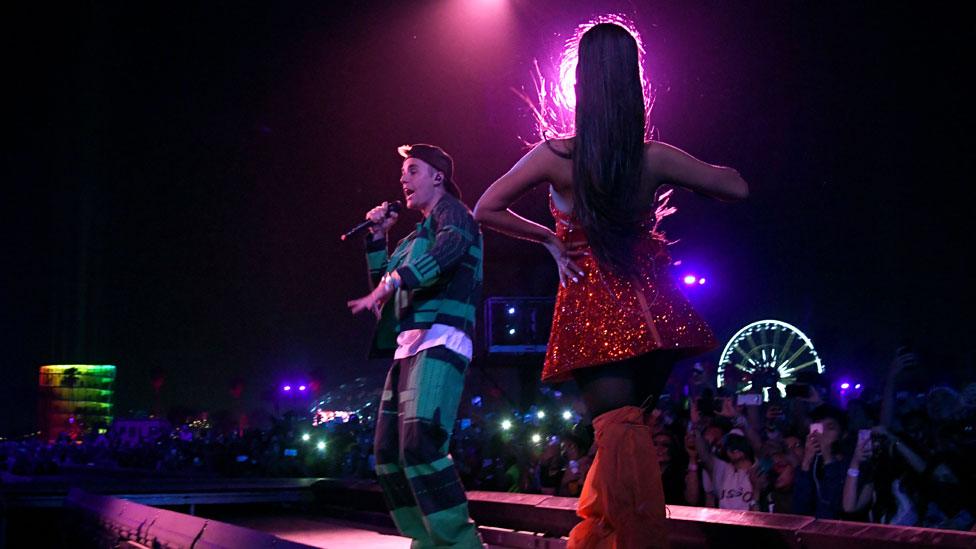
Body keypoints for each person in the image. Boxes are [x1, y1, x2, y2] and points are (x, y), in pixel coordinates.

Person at [474, 22, 748, 548]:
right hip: (654, 318)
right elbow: (736, 186)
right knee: (627, 443)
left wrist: (551, 240)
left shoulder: (557, 157)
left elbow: (487, 207)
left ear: (581, 86)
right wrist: (702, 176)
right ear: (633, 85)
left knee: (619, 444)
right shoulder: (653, 157)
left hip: (594, 314)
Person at [348, 144, 484, 548]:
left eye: (412, 170)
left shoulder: (454, 213)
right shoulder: (410, 239)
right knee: (389, 454)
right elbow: (385, 290)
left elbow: (448, 252)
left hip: (442, 336)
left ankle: (460, 544)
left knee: (420, 442)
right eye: (403, 173)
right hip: (407, 348)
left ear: (438, 176)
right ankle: (425, 541)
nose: (403, 179)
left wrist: (391, 283)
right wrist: (377, 238)